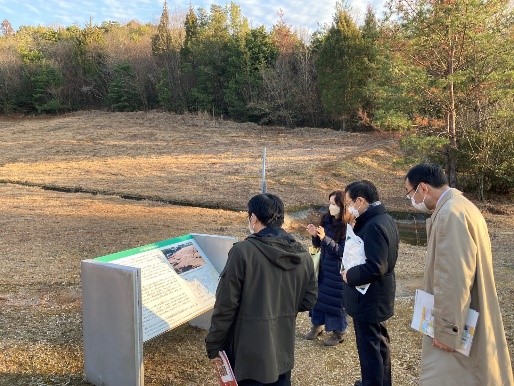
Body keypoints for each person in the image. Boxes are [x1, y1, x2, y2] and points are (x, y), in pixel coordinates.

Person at [405, 163, 513, 386]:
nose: (411, 200)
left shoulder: (449, 214)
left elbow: (453, 278)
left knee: (456, 375)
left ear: (423, 188)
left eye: (410, 193)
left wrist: (447, 330)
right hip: (472, 308)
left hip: (460, 321)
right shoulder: (463, 206)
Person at [205, 193, 318, 386]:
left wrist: (214, 345)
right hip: (282, 350)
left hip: (247, 353)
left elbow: (226, 305)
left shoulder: (242, 252)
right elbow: (309, 300)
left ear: (254, 218)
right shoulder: (303, 255)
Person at [340, 180, 399, 386]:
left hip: (369, 297)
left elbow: (376, 266)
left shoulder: (374, 225)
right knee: (379, 344)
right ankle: (380, 381)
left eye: (348, 203)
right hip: (378, 296)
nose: (347, 208)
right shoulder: (384, 218)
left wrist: (350, 275)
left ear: (360, 200)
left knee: (370, 350)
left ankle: (372, 382)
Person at [304, 190, 348, 346]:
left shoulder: (348, 226)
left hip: (337, 270)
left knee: (335, 302)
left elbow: (342, 252)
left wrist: (324, 238)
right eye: (330, 203)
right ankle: (317, 326)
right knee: (318, 298)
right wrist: (315, 236)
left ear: (342, 206)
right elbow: (318, 245)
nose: (331, 207)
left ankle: (339, 333)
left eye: (334, 204)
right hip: (323, 266)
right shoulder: (326, 220)